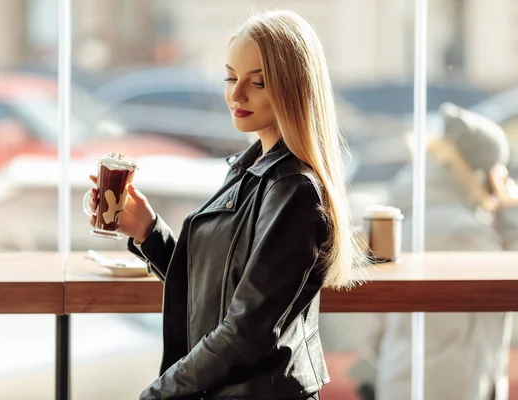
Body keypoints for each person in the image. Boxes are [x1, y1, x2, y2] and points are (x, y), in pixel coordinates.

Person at [87, 10, 369, 400]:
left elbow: (245, 332)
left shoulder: (294, 192)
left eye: (257, 82)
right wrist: (149, 232)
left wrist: (157, 394)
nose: (236, 94)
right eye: (230, 77)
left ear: (293, 87)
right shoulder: (251, 168)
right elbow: (215, 292)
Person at [350, 102, 518, 400]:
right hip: (447, 387)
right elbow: (509, 280)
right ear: (484, 174)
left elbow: (380, 318)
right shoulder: (462, 233)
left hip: (405, 379)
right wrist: (510, 213)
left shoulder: (412, 219)